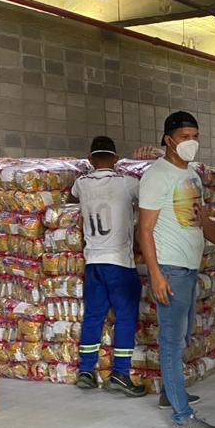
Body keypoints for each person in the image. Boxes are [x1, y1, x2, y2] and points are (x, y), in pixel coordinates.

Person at [139, 111, 215, 428]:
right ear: (168, 140)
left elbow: (202, 218)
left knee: (183, 335)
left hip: (189, 267)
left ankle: (169, 392)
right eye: (184, 136)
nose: (191, 142)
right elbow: (145, 229)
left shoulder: (191, 174)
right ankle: (183, 417)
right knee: (170, 340)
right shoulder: (156, 175)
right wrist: (156, 274)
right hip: (170, 267)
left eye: (195, 136)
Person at [73, 136, 146, 397]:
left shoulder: (81, 183)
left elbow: (73, 193)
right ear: (116, 159)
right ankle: (121, 374)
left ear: (90, 159)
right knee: (125, 316)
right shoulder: (127, 182)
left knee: (93, 315)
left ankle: (85, 370)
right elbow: (146, 197)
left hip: (93, 262)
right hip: (119, 262)